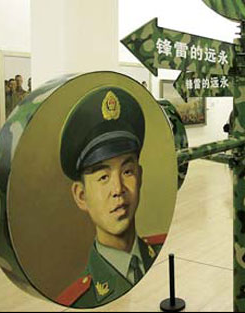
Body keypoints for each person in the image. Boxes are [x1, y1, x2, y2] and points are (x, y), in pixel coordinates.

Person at [55, 88, 165, 308]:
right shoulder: (79, 299)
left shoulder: (160, 253)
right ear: (81, 196)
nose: (118, 189)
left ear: (140, 176)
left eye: (127, 172)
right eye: (103, 176)